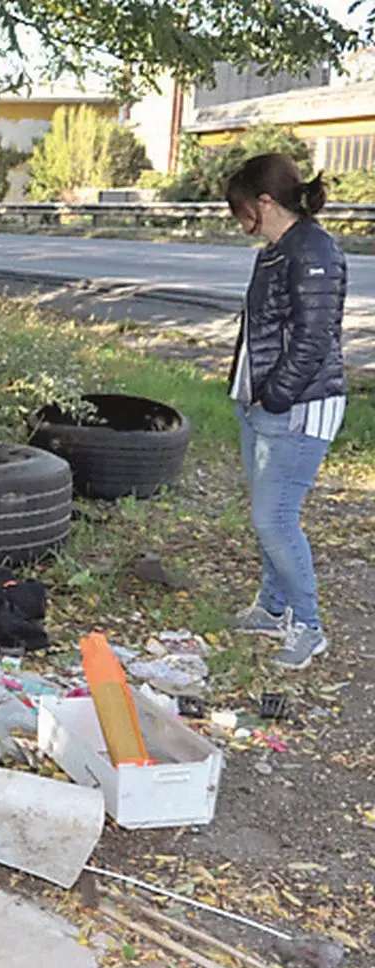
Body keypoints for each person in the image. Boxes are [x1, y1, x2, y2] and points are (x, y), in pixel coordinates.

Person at [225, 153, 346, 670]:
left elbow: (314, 340)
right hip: (262, 401)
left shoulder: (314, 250)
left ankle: (308, 626)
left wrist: (275, 396)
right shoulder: (274, 252)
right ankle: (272, 609)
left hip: (299, 405)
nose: (238, 219)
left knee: (274, 520)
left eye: (240, 208)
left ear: (265, 201)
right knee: (267, 516)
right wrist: (248, 392)